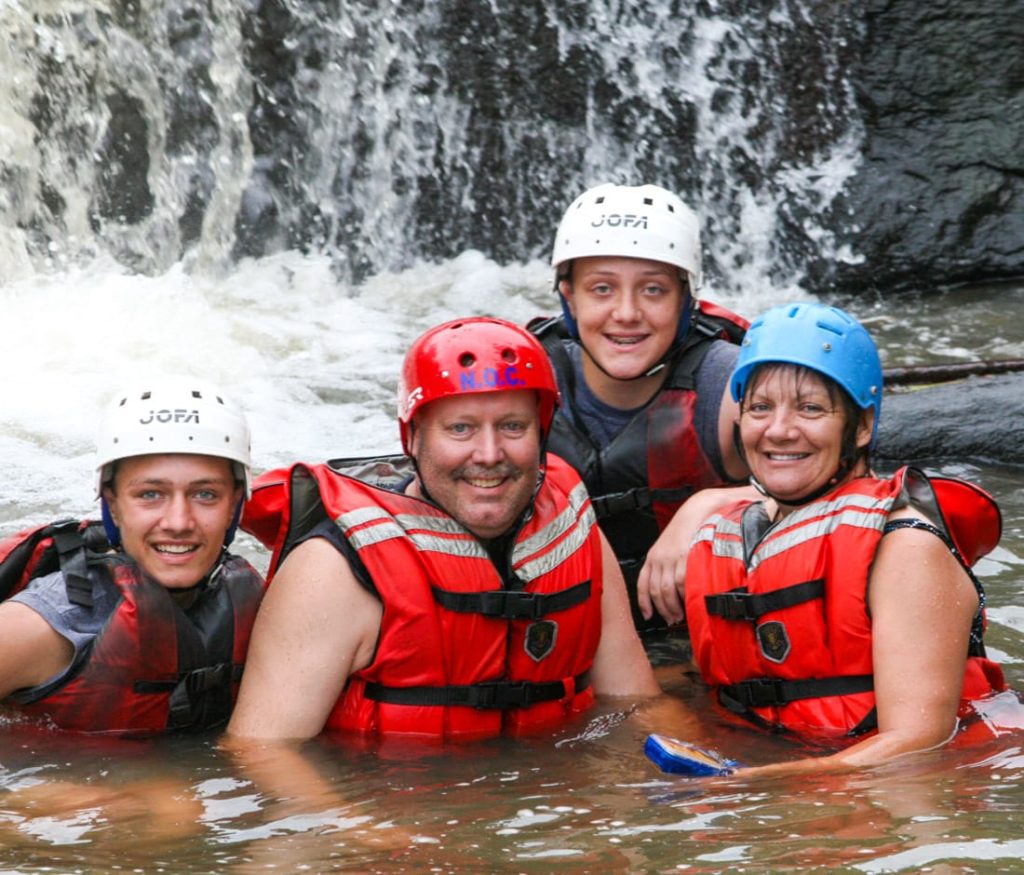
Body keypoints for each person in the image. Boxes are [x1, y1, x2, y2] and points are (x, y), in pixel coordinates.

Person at [228, 316, 662, 742]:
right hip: (395, 803)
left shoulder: (570, 530)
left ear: (542, 433)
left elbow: (636, 704)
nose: (489, 454)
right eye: (461, 429)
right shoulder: (332, 572)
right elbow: (264, 757)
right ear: (413, 438)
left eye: (513, 426)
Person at [679, 302, 1012, 775]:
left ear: (861, 427)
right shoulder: (723, 536)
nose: (779, 430)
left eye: (811, 408)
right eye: (760, 407)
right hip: (787, 766)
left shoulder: (904, 547)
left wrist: (750, 783)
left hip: (902, 790)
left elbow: (918, 740)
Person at [529, 182, 753, 641]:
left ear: (685, 299)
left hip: (694, 641)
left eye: (653, 290)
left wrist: (709, 504)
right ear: (568, 297)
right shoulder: (524, 378)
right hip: (561, 638)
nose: (626, 313)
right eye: (602, 289)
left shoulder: (729, 386)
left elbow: (842, 490)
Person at [0, 377, 266, 734]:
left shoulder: (267, 608)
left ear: (235, 504)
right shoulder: (40, 628)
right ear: (112, 504)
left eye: (205, 495)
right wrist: (52, 791)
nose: (178, 522)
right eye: (150, 495)